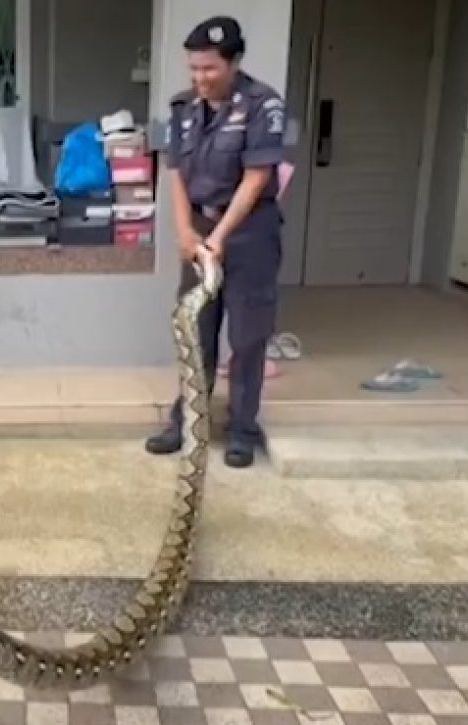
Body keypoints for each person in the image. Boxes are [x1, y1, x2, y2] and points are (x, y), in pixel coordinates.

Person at [144, 15, 286, 469]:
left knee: (247, 336)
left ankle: (242, 429)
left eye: (209, 69)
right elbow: (176, 175)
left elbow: (256, 177)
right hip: (201, 230)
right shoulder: (183, 107)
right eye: (194, 69)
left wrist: (220, 238)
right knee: (194, 330)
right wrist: (187, 234)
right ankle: (187, 421)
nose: (200, 78)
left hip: (249, 234)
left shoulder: (263, 105)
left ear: (234, 61)